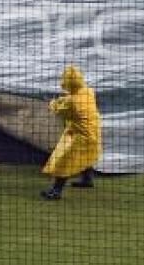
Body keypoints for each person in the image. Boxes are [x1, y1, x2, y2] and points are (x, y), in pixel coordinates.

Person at [40, 65, 102, 200]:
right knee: (85, 154)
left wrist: (51, 102)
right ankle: (87, 179)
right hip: (93, 130)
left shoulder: (71, 101)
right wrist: (60, 100)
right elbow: (72, 99)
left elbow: (60, 110)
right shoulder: (88, 91)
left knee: (65, 160)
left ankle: (56, 191)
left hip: (80, 134)